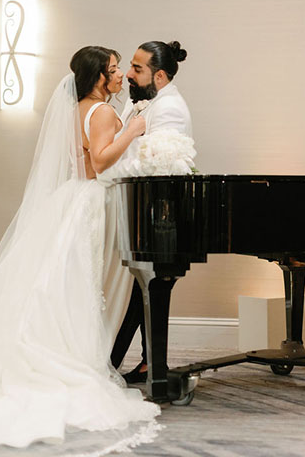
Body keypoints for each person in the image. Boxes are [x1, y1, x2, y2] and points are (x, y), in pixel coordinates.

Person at [0, 46, 160, 453]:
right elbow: (99, 162)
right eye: (114, 71)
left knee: (65, 282)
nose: (120, 77)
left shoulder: (77, 108)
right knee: (84, 282)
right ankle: (79, 357)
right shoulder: (101, 113)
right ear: (99, 77)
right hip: (94, 203)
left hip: (72, 200)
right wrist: (132, 132)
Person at [107, 40, 192, 383]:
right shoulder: (143, 98)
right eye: (129, 65)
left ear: (159, 76)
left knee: (146, 288)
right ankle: (139, 363)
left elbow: (152, 164)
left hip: (156, 214)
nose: (128, 74)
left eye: (137, 69)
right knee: (142, 289)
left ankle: (141, 366)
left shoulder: (170, 108)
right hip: (134, 209)